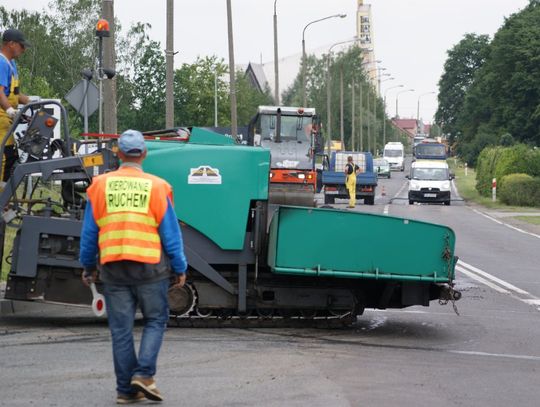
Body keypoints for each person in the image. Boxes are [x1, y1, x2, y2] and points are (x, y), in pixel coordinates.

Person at [79, 129, 188, 404]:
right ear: (145, 154)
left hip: (113, 268)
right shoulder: (158, 187)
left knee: (121, 329)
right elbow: (170, 234)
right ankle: (144, 374)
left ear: (118, 153)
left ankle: (126, 391)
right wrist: (180, 266)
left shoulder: (100, 185)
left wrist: (88, 266)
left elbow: (90, 234)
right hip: (150, 268)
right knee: (155, 320)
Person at [0, 28, 31, 182]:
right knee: (3, 159)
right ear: (10, 44)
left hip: (7, 122)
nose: (23, 49)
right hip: (1, 121)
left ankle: (4, 201)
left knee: (11, 158)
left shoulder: (11, 64)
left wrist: (32, 102)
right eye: (21, 45)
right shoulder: (1, 62)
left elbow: (14, 95)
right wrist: (10, 110)